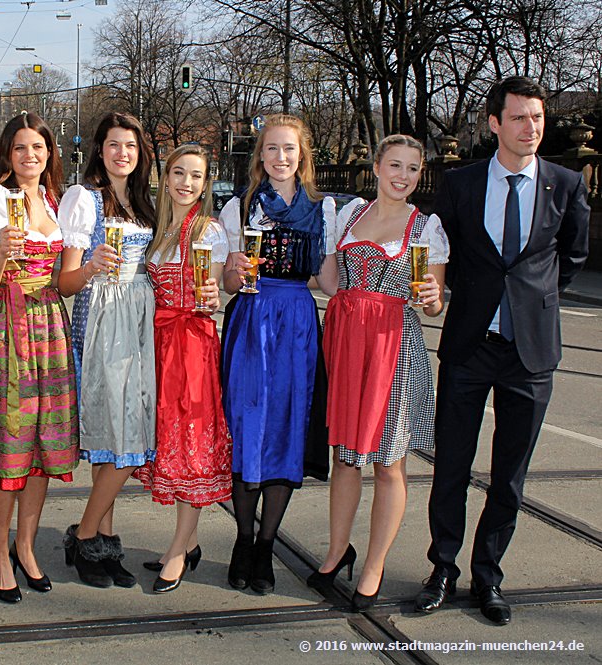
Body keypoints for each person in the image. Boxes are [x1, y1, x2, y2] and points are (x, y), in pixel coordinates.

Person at [414, 76, 589, 626]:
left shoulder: (565, 183)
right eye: (518, 118)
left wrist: (532, 303)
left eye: (536, 118)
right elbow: (448, 254)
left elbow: (572, 257)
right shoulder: (461, 184)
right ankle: (443, 567)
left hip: (530, 354)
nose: (530, 128)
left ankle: (488, 576)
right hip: (469, 346)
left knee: (510, 475)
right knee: (452, 468)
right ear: (494, 124)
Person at [312, 135, 447, 611]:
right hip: (348, 343)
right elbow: (330, 281)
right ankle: (335, 552)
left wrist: (432, 298)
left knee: (388, 463)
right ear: (375, 166)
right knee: (345, 457)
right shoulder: (347, 217)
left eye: (413, 169)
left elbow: (430, 302)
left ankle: (374, 567)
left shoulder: (425, 227)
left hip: (393, 346)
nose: (403, 176)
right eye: (395, 165)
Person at [0, 113, 78, 603]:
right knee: (10, 446)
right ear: (6, 155)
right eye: (20, 148)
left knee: (41, 448)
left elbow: (64, 274)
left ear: (49, 152)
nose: (30, 156)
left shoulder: (56, 201)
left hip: (50, 326)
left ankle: (27, 547)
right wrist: (2, 256)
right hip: (5, 327)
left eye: (38, 147)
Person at [219, 114, 333, 594]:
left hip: (298, 326)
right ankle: (242, 539)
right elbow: (227, 283)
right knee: (248, 428)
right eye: (271, 149)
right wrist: (238, 268)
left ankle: (266, 547)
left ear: (301, 155)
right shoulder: (239, 207)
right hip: (250, 321)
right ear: (260, 156)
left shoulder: (323, 209)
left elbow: (328, 282)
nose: (280, 158)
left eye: (289, 149)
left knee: (286, 430)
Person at [57, 112, 157, 588]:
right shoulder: (86, 199)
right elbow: (64, 280)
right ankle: (85, 534)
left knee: (118, 438)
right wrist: (93, 265)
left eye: (131, 146)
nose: (122, 153)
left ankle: (99, 545)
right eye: (114, 145)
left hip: (137, 317)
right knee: (120, 437)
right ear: (100, 150)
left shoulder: (142, 202)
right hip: (101, 315)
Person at [137, 144, 232, 593]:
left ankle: (178, 550)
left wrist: (211, 297)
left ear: (205, 182)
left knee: (190, 445)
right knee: (169, 442)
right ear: (165, 177)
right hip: (158, 343)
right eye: (179, 173)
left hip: (191, 344)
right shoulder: (161, 228)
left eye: (196, 176)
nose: (186, 184)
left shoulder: (207, 230)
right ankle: (188, 542)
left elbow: (209, 289)